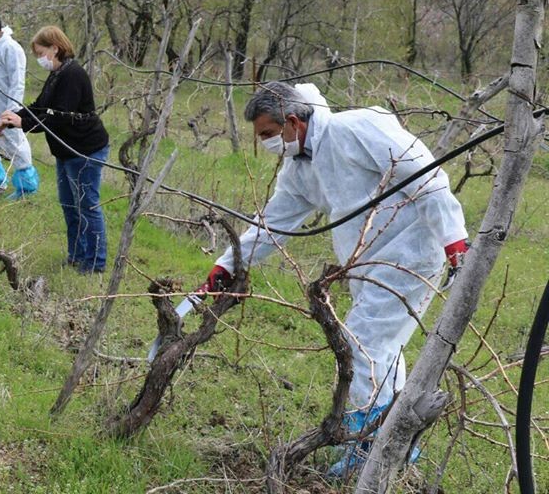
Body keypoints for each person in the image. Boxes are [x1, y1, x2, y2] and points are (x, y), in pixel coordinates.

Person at [171, 81, 468, 477]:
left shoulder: (357, 129)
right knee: (381, 349)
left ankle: (372, 448)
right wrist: (229, 263)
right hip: (367, 265)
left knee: (360, 345)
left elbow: (427, 176)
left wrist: (454, 242)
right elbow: (273, 224)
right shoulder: (300, 166)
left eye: (267, 135)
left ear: (293, 121)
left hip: (410, 253)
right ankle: (392, 442)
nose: (265, 145)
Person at [0, 26, 110, 273]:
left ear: (55, 48)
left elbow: (58, 117)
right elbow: (41, 107)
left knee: (87, 205)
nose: (39, 58)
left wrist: (22, 123)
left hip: (85, 150)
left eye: (40, 52)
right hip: (66, 152)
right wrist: (14, 116)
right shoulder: (58, 73)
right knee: (69, 206)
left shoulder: (72, 75)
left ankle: (95, 264)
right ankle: (76, 256)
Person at [0, 12, 39, 200]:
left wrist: (10, 112)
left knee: (15, 145)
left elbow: (17, 82)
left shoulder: (12, 48)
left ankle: (25, 188)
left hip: (4, 109)